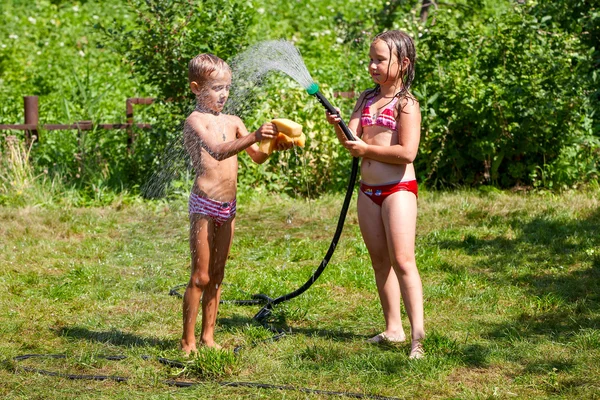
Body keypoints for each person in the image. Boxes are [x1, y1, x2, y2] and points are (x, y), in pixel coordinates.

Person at [180, 53, 290, 354]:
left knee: (218, 274)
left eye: (227, 87)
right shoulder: (195, 121)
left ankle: (208, 337)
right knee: (200, 276)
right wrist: (255, 134)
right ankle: (187, 341)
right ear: (196, 88)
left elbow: (255, 156)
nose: (224, 94)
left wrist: (272, 144)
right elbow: (216, 151)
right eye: (216, 88)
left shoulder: (234, 121)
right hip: (204, 204)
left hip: (229, 206)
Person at [326, 30, 425, 359]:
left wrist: (366, 147)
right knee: (380, 261)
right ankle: (393, 329)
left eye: (380, 59)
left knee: (403, 261)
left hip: (398, 189)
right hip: (368, 191)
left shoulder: (406, 104)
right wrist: (340, 126)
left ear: (403, 63)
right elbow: (353, 142)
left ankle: (417, 339)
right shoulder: (366, 99)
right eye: (371, 58)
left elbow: (407, 152)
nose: (372, 65)